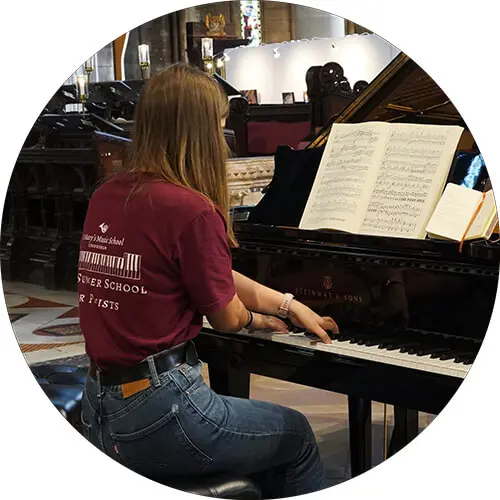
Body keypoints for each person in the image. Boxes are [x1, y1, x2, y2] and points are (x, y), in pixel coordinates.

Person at [79, 63, 339, 499]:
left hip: (98, 405)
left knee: (264, 448)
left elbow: (211, 273)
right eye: (219, 126)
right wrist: (259, 319)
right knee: (295, 435)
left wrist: (288, 305)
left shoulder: (107, 193)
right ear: (199, 132)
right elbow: (227, 318)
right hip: (162, 411)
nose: (224, 140)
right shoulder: (190, 208)